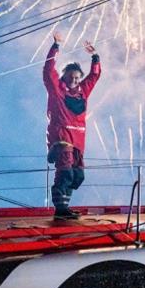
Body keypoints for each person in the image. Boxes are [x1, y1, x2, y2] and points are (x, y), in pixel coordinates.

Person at [43, 32, 101, 219]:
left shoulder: (83, 92)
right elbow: (48, 70)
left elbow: (94, 75)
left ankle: (65, 207)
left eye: (77, 77)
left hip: (78, 140)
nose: (74, 80)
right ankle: (60, 210)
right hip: (62, 136)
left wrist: (95, 56)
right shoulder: (58, 89)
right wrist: (56, 46)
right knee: (65, 173)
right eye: (71, 77)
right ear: (64, 76)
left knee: (77, 176)